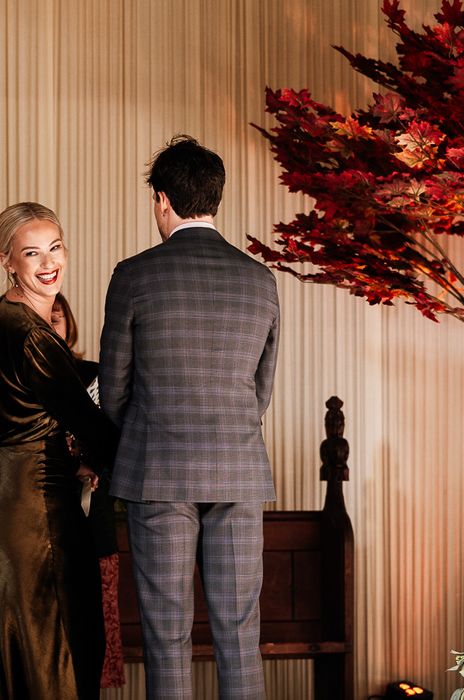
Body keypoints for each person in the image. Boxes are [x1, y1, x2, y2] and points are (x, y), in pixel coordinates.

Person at [99, 135, 280, 700]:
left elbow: (113, 391)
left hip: (159, 472)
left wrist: (151, 432)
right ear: (214, 198)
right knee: (237, 631)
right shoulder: (260, 280)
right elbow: (261, 390)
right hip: (238, 470)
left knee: (166, 632)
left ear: (161, 200)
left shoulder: (133, 275)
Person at [0, 202, 119, 699]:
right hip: (41, 510)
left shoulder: (4, 320)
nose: (49, 262)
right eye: (32, 253)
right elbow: (95, 430)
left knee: (24, 649)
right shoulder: (32, 336)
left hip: (10, 509)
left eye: (56, 247)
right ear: (9, 261)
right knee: (60, 652)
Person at [52, 292, 126, 689]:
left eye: (57, 317)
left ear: (69, 323)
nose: (50, 324)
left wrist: (93, 464)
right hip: (38, 518)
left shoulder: (93, 375)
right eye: (42, 317)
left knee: (92, 630)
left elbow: (114, 435)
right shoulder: (12, 376)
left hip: (92, 518)